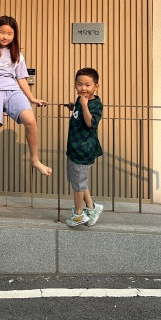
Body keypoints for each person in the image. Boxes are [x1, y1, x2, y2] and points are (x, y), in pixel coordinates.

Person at [0, 15, 52, 178]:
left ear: (14, 35)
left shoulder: (17, 54)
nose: (5, 36)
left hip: (12, 89)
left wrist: (32, 98)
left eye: (9, 33)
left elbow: (21, 79)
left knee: (31, 120)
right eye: (2, 32)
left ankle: (35, 159)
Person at [65, 67, 104, 227]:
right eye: (80, 84)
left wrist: (84, 105)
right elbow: (79, 114)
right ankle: (92, 207)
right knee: (78, 180)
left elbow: (90, 123)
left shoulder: (95, 104)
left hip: (83, 150)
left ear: (96, 86)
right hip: (74, 148)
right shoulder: (80, 100)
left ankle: (78, 213)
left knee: (79, 184)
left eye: (88, 85)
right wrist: (74, 106)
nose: (83, 88)